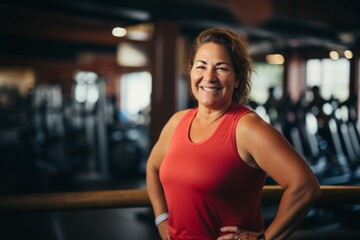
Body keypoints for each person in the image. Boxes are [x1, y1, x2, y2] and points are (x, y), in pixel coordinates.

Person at [146, 28, 321, 240]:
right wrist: (161, 218)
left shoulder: (247, 128)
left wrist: (263, 239)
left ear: (237, 78)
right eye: (201, 66)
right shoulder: (177, 122)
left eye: (221, 68)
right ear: (190, 71)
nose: (209, 77)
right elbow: (153, 168)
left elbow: (305, 186)